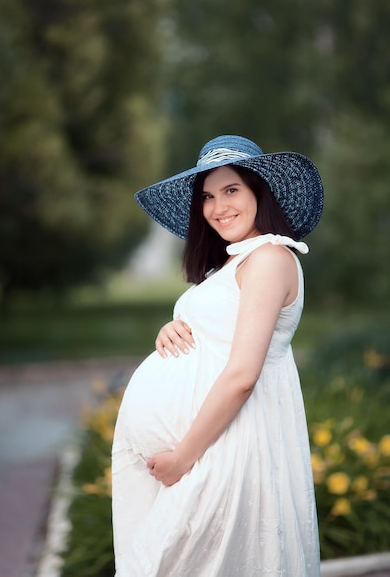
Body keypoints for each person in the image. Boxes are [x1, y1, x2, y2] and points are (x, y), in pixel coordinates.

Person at [112, 134, 324, 576]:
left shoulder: (268, 257)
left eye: (231, 190)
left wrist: (182, 458)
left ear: (258, 193)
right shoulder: (232, 263)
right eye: (208, 196)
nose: (218, 207)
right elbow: (220, 331)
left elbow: (244, 374)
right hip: (212, 445)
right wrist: (173, 329)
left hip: (228, 446)